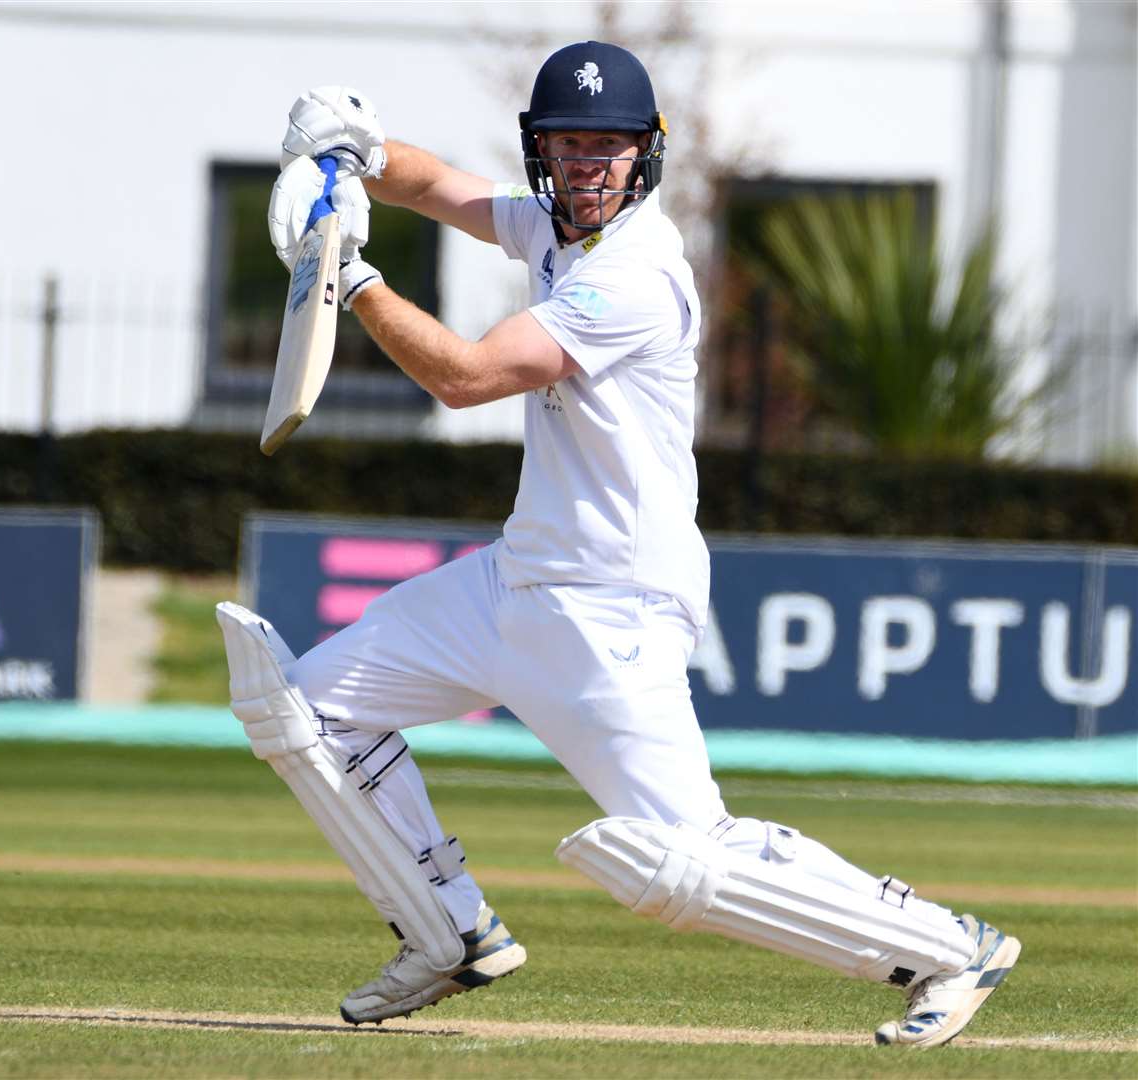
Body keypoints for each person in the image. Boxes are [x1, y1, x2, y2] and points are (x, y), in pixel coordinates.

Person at [216, 40, 1019, 1046]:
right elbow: (449, 192)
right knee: (302, 710)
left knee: (685, 859)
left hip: (613, 610)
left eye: (609, 148)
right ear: (541, 153)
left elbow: (464, 378)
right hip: (514, 583)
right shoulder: (555, 228)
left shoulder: (633, 275)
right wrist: (352, 153)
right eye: (568, 146)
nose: (588, 166)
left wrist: (348, 270)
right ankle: (445, 930)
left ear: (645, 158)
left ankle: (948, 946)